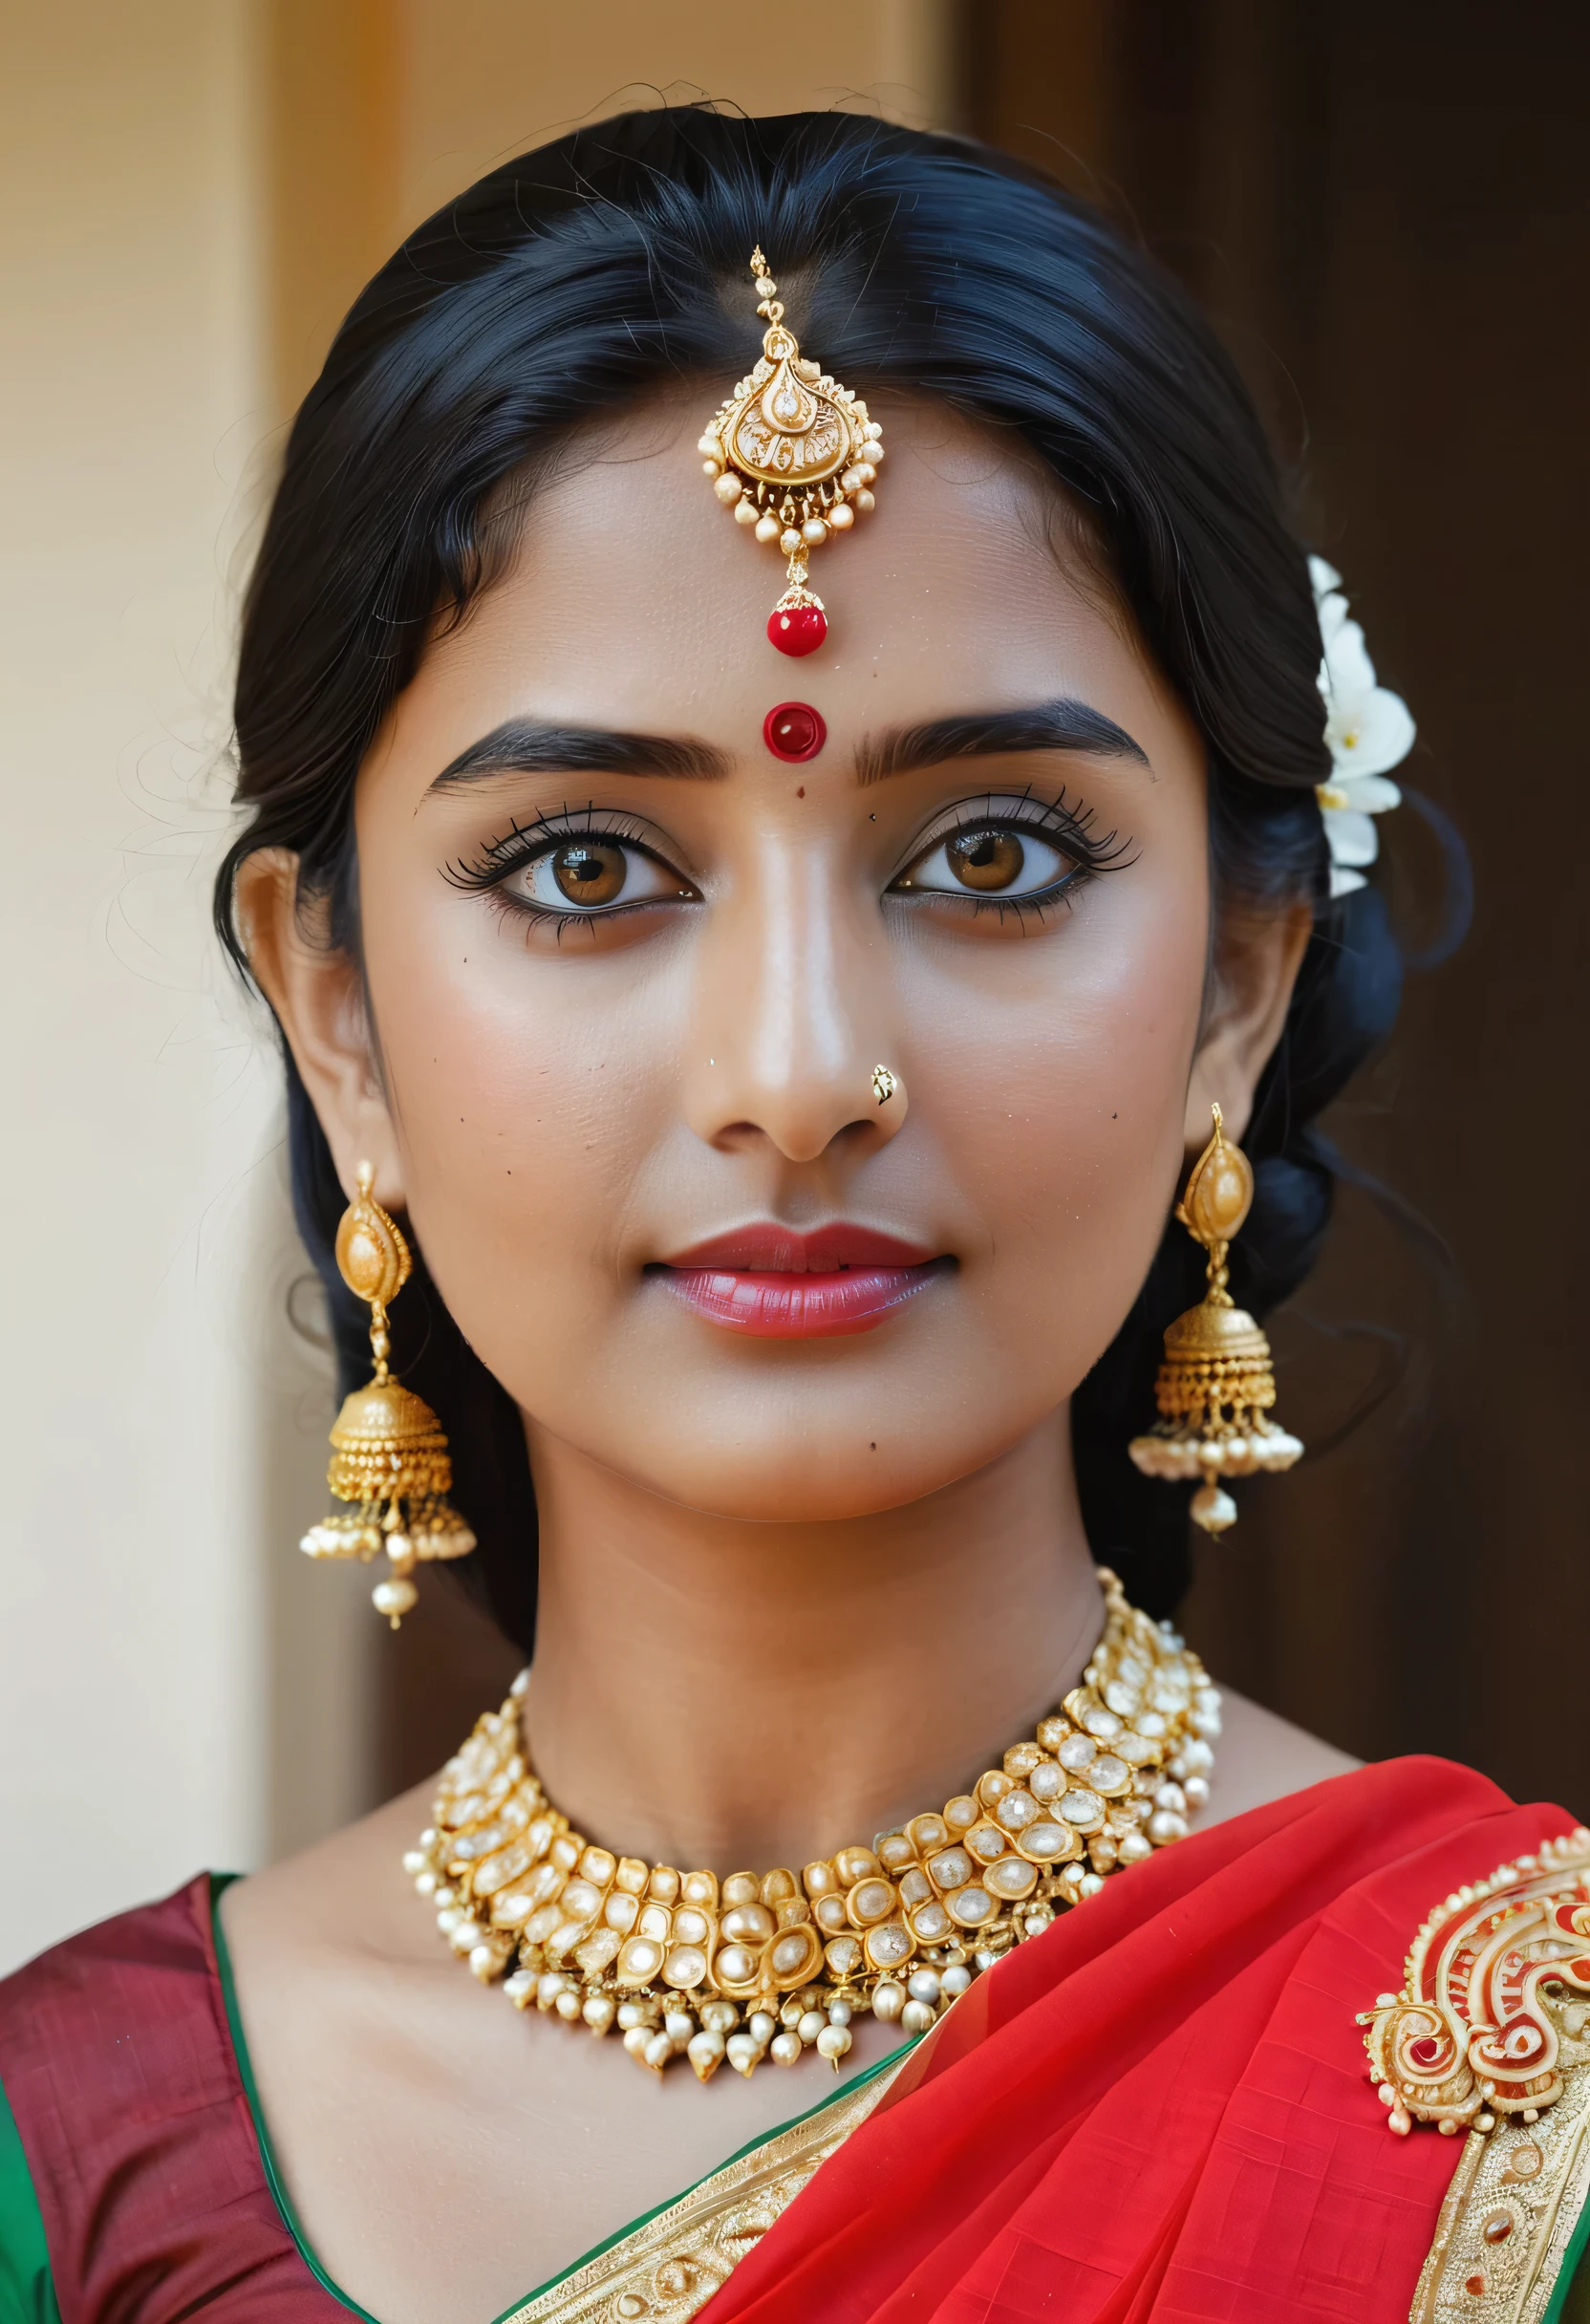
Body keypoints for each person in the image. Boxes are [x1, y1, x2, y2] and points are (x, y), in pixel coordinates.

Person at [2, 107, 1583, 2324]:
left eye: (993, 856)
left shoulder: (1524, 2084)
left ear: (1242, 984)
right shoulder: (71, 2152)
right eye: (586, 868)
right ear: (332, 1006)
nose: (795, 1075)